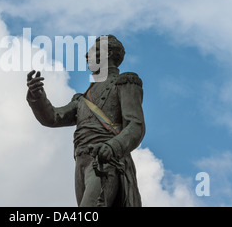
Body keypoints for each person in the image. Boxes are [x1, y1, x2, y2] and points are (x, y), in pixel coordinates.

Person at [26, 35, 146, 207]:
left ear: (109, 53)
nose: (86, 56)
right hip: (81, 163)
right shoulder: (82, 99)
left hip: (105, 160)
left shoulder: (124, 83)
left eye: (94, 51)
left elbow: (136, 126)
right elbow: (52, 118)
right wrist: (37, 96)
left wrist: (113, 147)